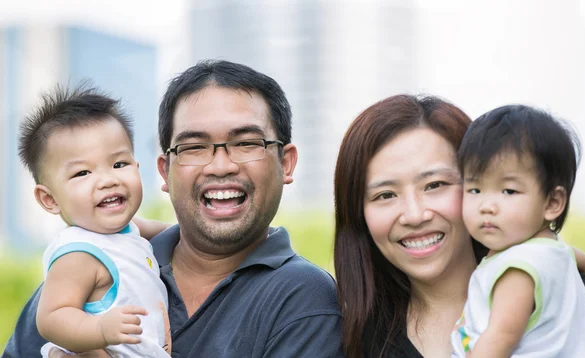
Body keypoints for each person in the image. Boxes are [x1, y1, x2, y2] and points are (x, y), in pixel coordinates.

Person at [3, 60, 344, 358]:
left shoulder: (305, 299)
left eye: (246, 143)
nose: (221, 165)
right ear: (164, 170)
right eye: (194, 147)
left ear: (285, 163)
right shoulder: (93, 263)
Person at [333, 94, 585, 357]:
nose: (414, 215)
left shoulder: (568, 297)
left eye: (435, 185)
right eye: (386, 195)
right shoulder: (350, 335)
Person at [16, 84, 170, 357]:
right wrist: (99, 329)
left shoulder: (129, 230)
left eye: (119, 164)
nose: (107, 180)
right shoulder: (79, 254)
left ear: (137, 167)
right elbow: (52, 316)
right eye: (83, 173)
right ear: (49, 199)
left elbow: (170, 232)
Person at [450, 105, 585, 356]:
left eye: (508, 191)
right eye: (475, 190)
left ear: (552, 203)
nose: (487, 206)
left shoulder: (517, 269)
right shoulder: (553, 251)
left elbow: (500, 338)